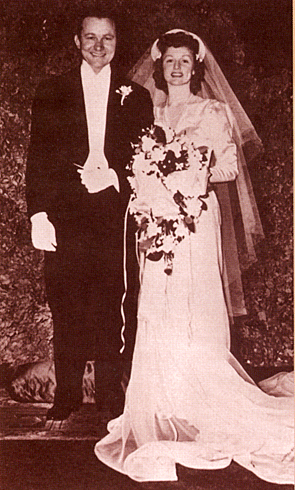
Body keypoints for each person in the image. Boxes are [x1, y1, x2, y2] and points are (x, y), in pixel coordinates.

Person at [94, 30, 294, 484]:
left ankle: (202, 399)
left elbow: (227, 166)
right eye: (170, 62)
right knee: (158, 309)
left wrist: (189, 165)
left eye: (185, 61)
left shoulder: (213, 110)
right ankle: (162, 401)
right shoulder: (147, 108)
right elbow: (133, 166)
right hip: (157, 222)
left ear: (196, 67)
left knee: (195, 307)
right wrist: (152, 184)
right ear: (159, 67)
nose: (177, 69)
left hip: (196, 220)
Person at [25, 7, 154, 421]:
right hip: (66, 216)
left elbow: (145, 162)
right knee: (66, 306)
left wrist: (116, 176)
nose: (99, 46)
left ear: (118, 43)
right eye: (91, 37)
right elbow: (39, 156)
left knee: (113, 307)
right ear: (77, 42)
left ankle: (111, 402)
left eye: (108, 38)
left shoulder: (137, 96)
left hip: (114, 218)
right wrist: (38, 214)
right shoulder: (51, 91)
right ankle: (66, 397)